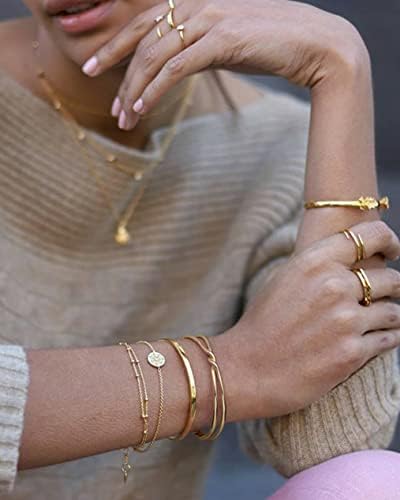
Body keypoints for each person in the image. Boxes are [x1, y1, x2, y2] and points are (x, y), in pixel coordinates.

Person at [0, 0, 399, 498]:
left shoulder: (280, 144)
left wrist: (341, 69)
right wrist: (229, 369)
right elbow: (247, 371)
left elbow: (334, 451)